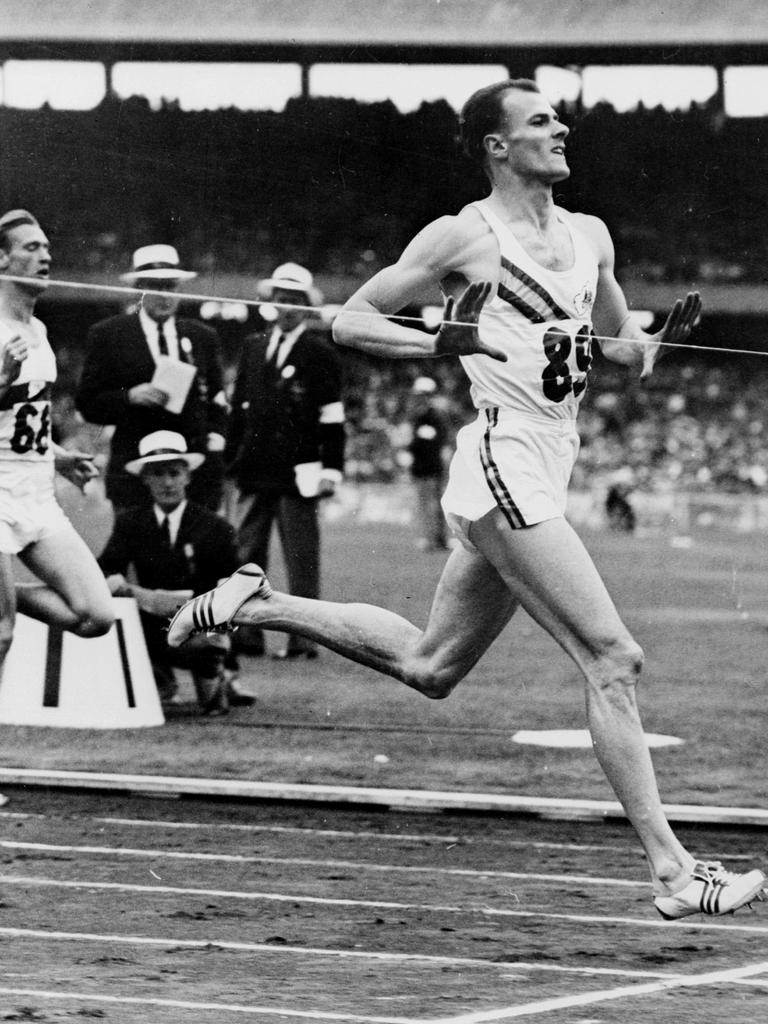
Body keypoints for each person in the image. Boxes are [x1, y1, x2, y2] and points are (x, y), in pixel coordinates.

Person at [168, 80, 765, 919]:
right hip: (502, 459)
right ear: (497, 145)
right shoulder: (463, 235)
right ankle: (674, 872)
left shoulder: (591, 235)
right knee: (613, 657)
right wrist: (435, 340)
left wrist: (664, 339)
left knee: (431, 665)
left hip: (550, 458)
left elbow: (625, 353)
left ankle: (257, 603)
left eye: (558, 118)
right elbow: (349, 321)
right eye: (541, 121)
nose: (562, 129)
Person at [0, 208, 114, 670]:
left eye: (47, 247)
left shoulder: (39, 331)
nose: (45, 255)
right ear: (3, 261)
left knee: (95, 615)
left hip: (36, 493)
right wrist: (3, 378)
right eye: (31, 247)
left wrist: (59, 455)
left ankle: (10, 596)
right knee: (1, 635)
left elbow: (26, 421)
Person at [224, 262, 345, 660]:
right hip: (254, 469)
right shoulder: (253, 346)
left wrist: (332, 469)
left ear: (307, 306)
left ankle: (303, 640)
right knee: (245, 558)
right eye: (281, 298)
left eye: (295, 300)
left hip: (299, 472)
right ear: (270, 302)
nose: (287, 306)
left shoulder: (320, 352)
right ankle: (246, 635)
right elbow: (238, 412)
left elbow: (331, 416)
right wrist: (231, 460)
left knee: (301, 561)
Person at [98, 430, 255, 715]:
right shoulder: (131, 522)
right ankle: (159, 682)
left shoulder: (214, 526)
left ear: (188, 476)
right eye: (157, 474)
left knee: (211, 688)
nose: (167, 482)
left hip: (200, 627)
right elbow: (106, 566)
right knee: (106, 616)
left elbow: (235, 585)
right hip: (149, 627)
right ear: (145, 478)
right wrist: (114, 580)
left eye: (174, 473)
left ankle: (221, 675)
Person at [76, 244, 228, 513]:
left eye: (171, 287)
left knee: (199, 551)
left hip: (194, 474)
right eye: (155, 287)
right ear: (138, 289)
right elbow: (87, 403)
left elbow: (218, 400)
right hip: (134, 472)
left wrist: (215, 437)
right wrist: (129, 396)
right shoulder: (109, 334)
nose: (164, 296)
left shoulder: (203, 337)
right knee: (136, 551)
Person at [407, 376, 449, 552]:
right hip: (426, 468)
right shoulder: (424, 416)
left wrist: (412, 444)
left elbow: (426, 444)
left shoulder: (430, 417)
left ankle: (433, 539)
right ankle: (436, 539)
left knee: (429, 505)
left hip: (428, 468)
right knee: (431, 505)